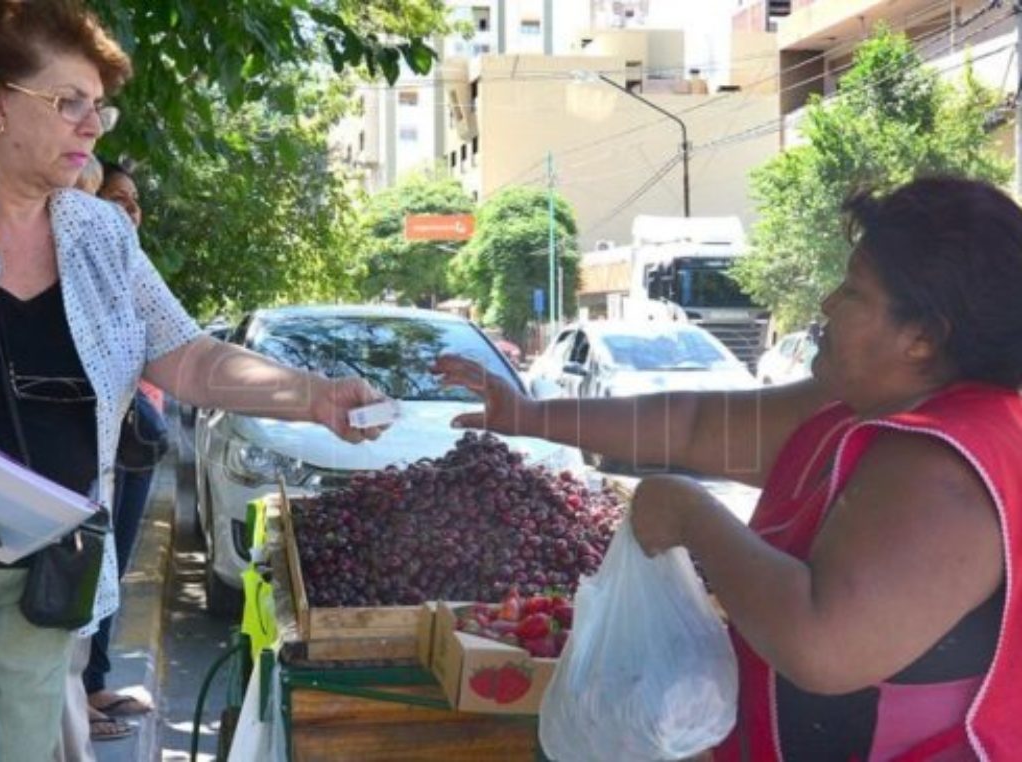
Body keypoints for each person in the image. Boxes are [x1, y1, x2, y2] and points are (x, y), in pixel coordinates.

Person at [0, 1, 384, 760]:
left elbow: (185, 355)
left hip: (50, 576)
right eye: (68, 103)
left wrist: (311, 394)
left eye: (98, 108)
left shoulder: (100, 233)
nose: (91, 125)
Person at [434, 177, 1022, 759]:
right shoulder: (858, 410)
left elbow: (823, 645)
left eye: (853, 292)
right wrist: (527, 414)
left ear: (921, 337)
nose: (827, 305)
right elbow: (696, 427)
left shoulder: (941, 469)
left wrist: (694, 516)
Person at [83, 159, 158, 741]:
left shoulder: (132, 267)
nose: (127, 210)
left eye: (133, 202)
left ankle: (92, 683)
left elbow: (183, 350)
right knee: (78, 567)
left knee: (111, 566)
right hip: (89, 448)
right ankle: (75, 698)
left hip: (132, 446)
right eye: (114, 198)